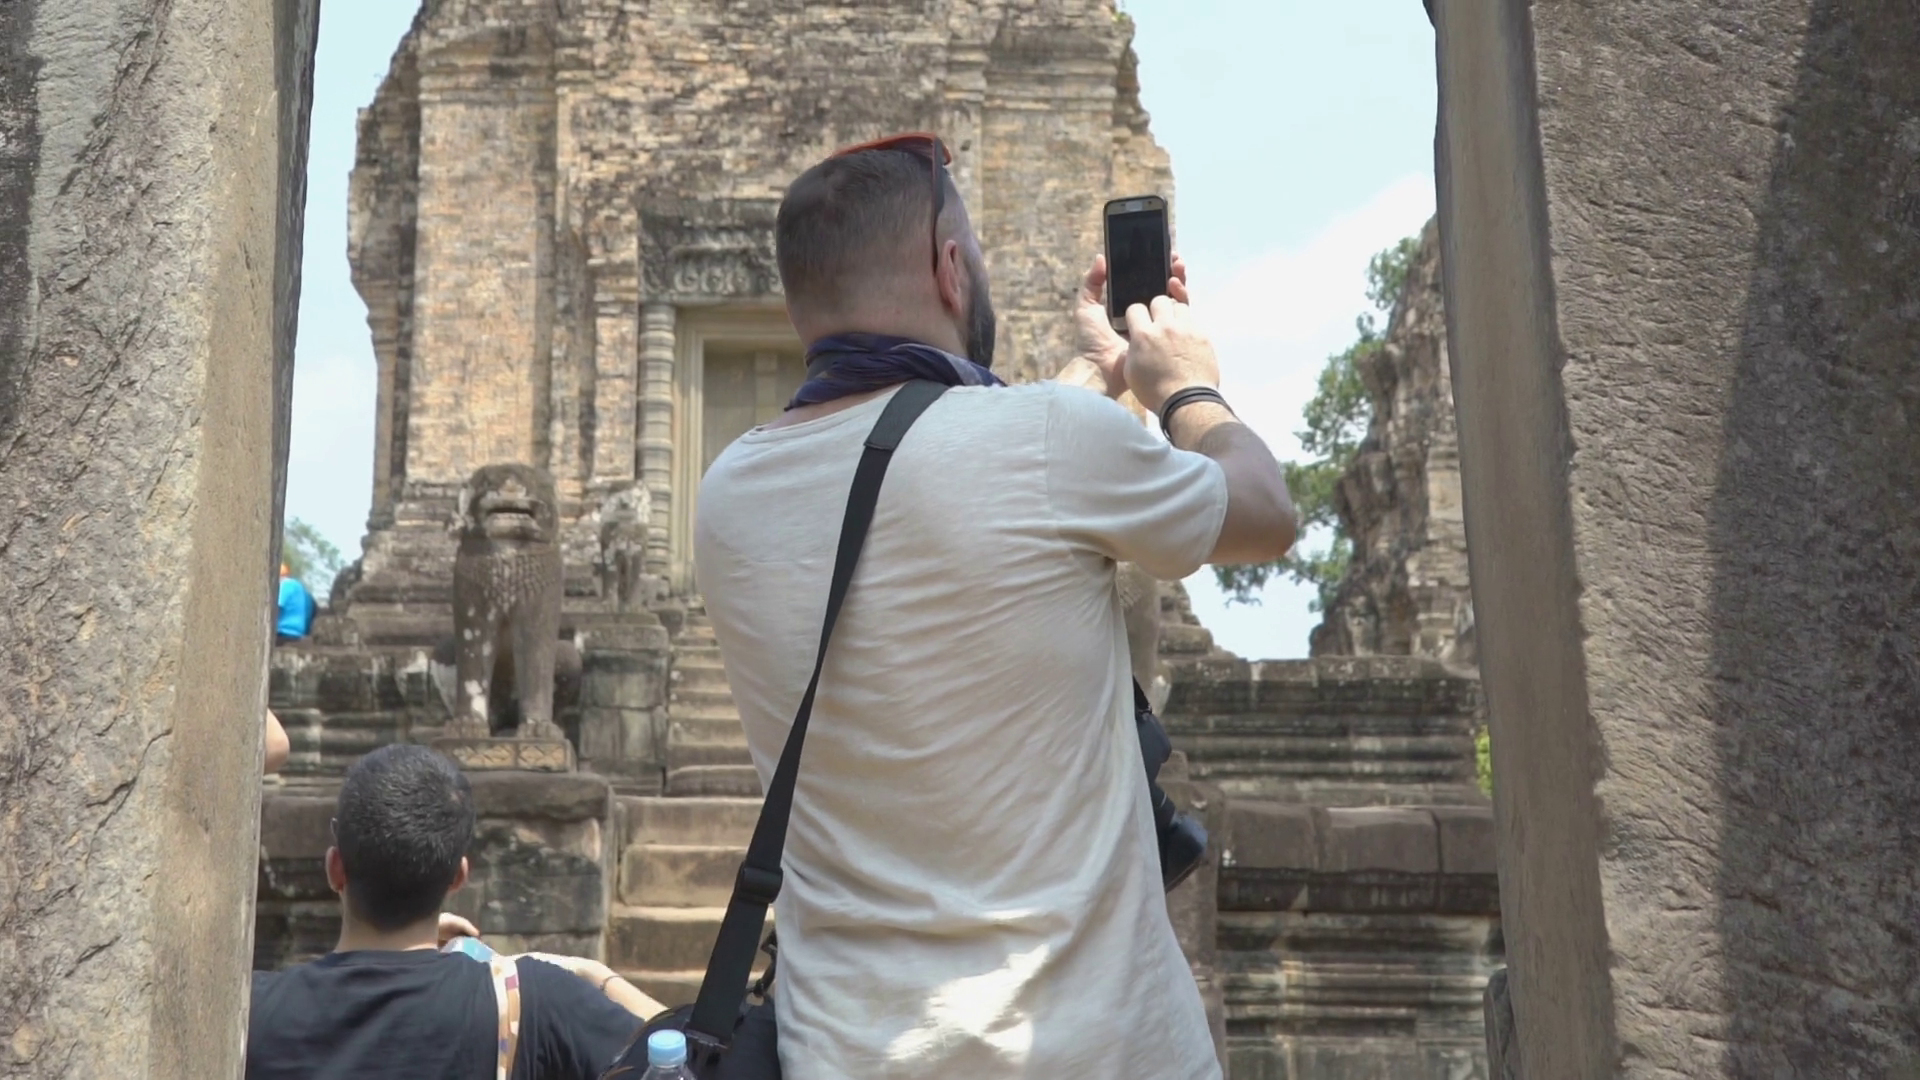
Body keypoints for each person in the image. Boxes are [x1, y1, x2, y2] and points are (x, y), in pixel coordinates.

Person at [692, 135, 1296, 1078]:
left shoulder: (727, 495)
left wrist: (1099, 368)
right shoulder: (1050, 442)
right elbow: (1263, 511)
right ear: (949, 268)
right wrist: (1185, 385)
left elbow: (946, 472)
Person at [246, 744, 661, 1079]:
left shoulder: (252, 1010)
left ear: (334, 868)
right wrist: (590, 973)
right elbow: (686, 1054)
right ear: (458, 876)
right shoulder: (533, 1001)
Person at [276, 562, 316, 643]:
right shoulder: (299, 586)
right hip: (299, 632)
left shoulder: (285, 585)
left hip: (284, 631)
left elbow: (276, 608)